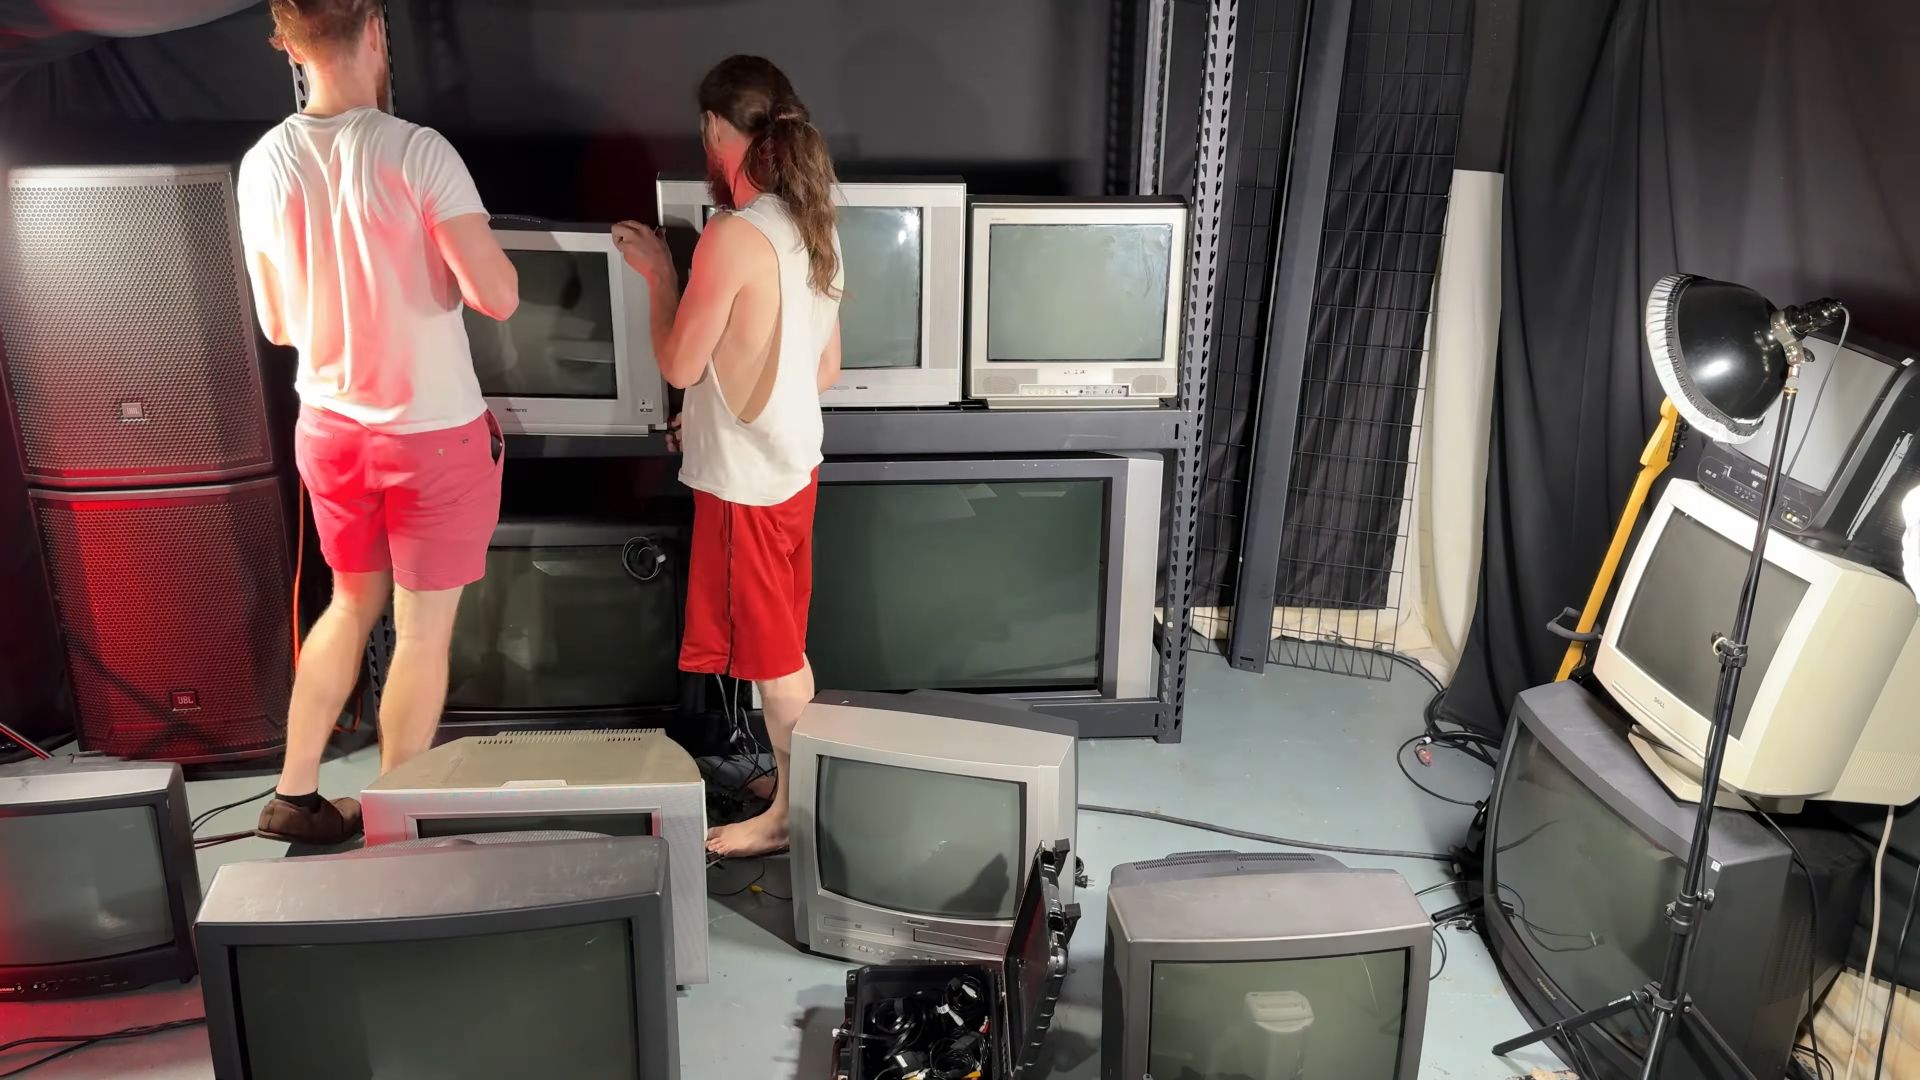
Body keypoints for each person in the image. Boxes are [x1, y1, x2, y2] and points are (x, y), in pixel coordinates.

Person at [238, 0, 520, 845]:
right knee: (423, 635)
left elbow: (278, 325)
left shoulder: (263, 164)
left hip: (328, 428)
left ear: (285, 44)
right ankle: (395, 823)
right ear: (375, 33)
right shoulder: (417, 152)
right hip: (431, 433)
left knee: (349, 605)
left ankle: (294, 794)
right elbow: (499, 296)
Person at [614, 55, 843, 858]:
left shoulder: (731, 237)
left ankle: (791, 819)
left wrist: (656, 277)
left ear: (717, 132)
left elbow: (680, 364)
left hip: (748, 489)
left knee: (777, 663)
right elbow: (820, 369)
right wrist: (712, 419)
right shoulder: (811, 224)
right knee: (784, 647)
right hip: (790, 473)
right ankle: (789, 788)